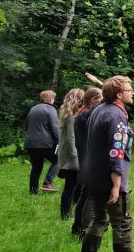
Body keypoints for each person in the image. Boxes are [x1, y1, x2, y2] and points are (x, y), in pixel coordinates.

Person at [81, 75, 134, 252]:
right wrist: (117, 184)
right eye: (129, 90)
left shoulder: (100, 109)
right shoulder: (116, 115)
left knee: (99, 219)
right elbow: (116, 152)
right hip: (110, 180)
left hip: (95, 177)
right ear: (119, 94)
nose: (133, 92)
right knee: (122, 224)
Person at [73, 87, 102, 238]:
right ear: (93, 100)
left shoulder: (83, 113)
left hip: (85, 158)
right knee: (89, 196)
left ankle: (77, 228)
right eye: (100, 99)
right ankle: (84, 231)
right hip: (88, 159)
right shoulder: (86, 115)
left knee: (84, 195)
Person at [25, 90, 61, 194]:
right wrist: (60, 141)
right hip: (45, 143)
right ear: (50, 99)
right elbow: (54, 127)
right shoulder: (51, 109)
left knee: (36, 166)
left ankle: (33, 190)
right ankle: (47, 183)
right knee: (59, 160)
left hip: (31, 143)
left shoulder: (33, 109)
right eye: (53, 98)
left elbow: (26, 125)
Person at [58, 88, 85, 220]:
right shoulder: (73, 117)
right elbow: (71, 138)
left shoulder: (68, 114)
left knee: (73, 185)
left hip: (70, 156)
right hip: (73, 157)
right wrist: (76, 155)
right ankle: (65, 214)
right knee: (71, 186)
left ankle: (70, 210)